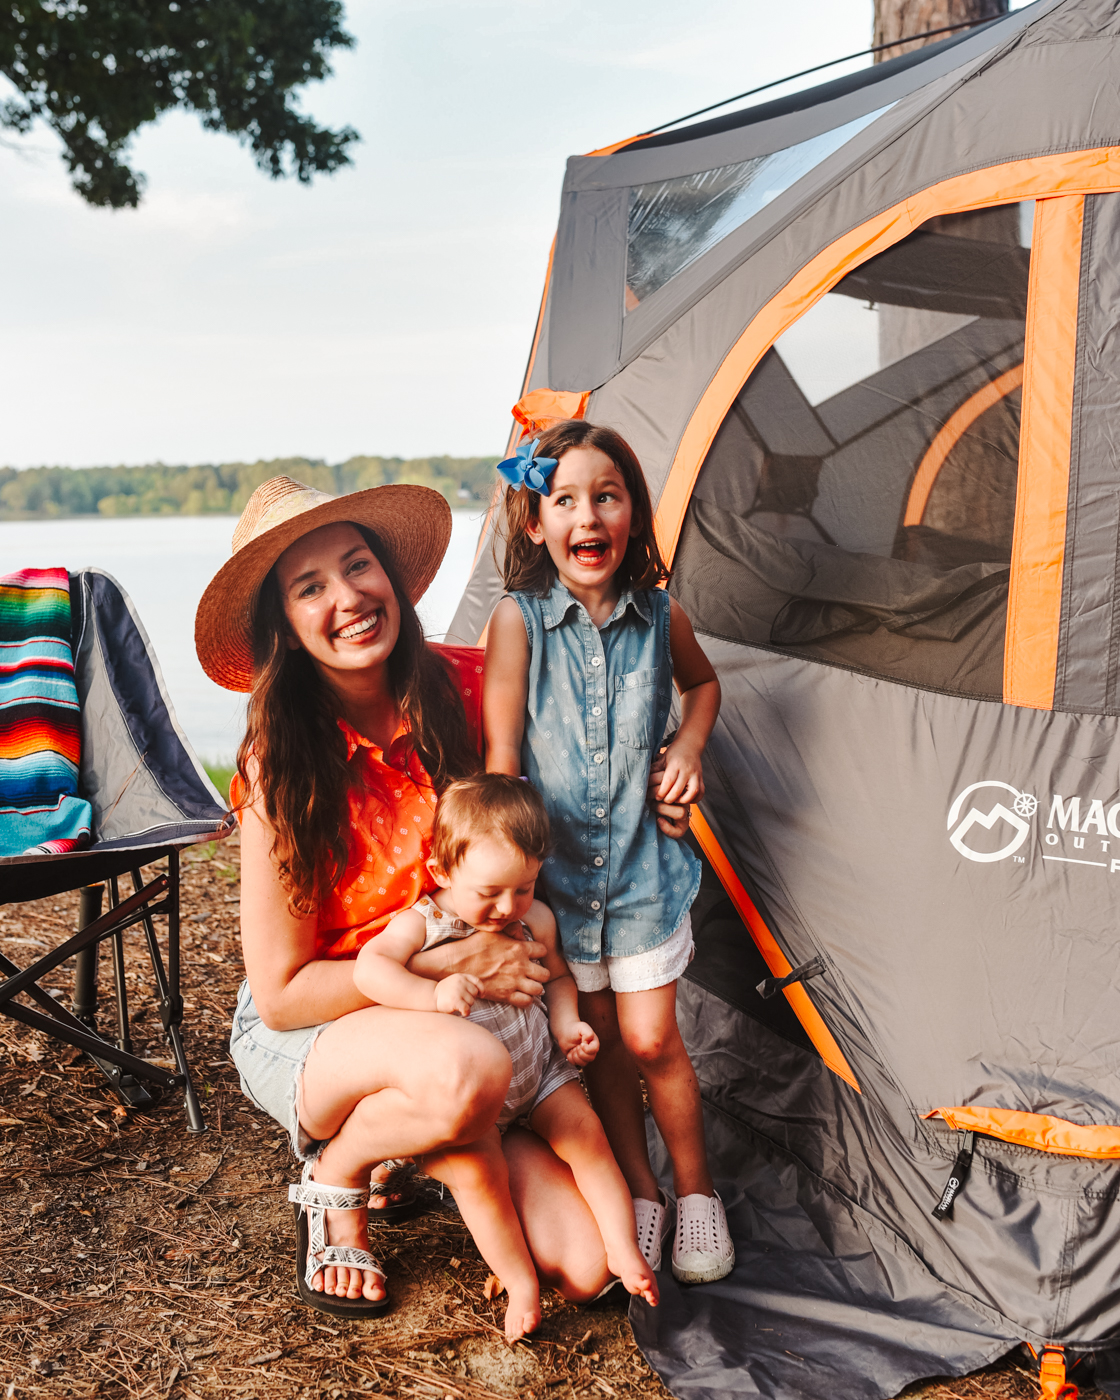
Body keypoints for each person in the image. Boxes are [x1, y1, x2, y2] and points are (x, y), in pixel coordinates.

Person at [194, 474, 628, 1320]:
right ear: (283, 624)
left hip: (468, 1019)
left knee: (584, 1267)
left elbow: (600, 721)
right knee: (469, 1068)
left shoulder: (466, 689)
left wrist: (671, 764)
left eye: (358, 566)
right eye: (309, 586)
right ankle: (341, 1172)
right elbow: (282, 997)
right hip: (323, 1027)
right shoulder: (279, 764)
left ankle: (425, 1146)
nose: (348, 597)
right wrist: (446, 960)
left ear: (392, 575)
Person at [483, 419, 735, 1285]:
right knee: (602, 1046)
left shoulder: (661, 616)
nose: (587, 516)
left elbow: (702, 687)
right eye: (565, 500)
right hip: (556, 886)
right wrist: (510, 902)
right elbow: (503, 766)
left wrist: (688, 748)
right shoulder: (517, 625)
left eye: (606, 495)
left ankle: (696, 1194)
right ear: (535, 523)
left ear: (631, 514)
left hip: (641, 874)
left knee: (654, 1038)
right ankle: (641, 1192)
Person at [354, 772, 659, 1338]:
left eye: (522, 887)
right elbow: (370, 970)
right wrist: (430, 991)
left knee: (587, 1137)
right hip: (478, 1098)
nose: (505, 906)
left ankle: (623, 1250)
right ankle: (518, 1280)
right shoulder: (424, 924)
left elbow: (560, 978)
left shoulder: (533, 918)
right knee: (484, 1181)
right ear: (443, 871)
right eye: (488, 891)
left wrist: (568, 1026)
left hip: (540, 1069)